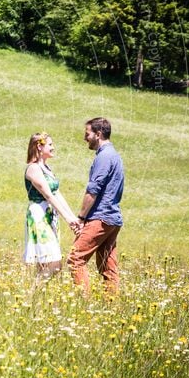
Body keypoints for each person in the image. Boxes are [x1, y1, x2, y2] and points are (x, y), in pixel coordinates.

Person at [67, 117, 125, 297]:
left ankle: (84, 302)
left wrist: (81, 217)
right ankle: (111, 304)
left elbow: (93, 189)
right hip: (112, 219)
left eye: (88, 134)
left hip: (100, 217)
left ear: (98, 134)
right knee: (107, 265)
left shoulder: (105, 157)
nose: (85, 138)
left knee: (75, 259)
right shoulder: (114, 155)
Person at [23, 133, 81, 282]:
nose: (53, 147)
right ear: (39, 146)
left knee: (45, 263)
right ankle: (32, 294)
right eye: (50, 144)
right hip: (39, 215)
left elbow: (57, 194)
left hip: (50, 215)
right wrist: (68, 220)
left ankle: (36, 300)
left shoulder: (47, 168)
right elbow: (48, 195)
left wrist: (73, 217)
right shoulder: (33, 168)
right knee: (54, 263)